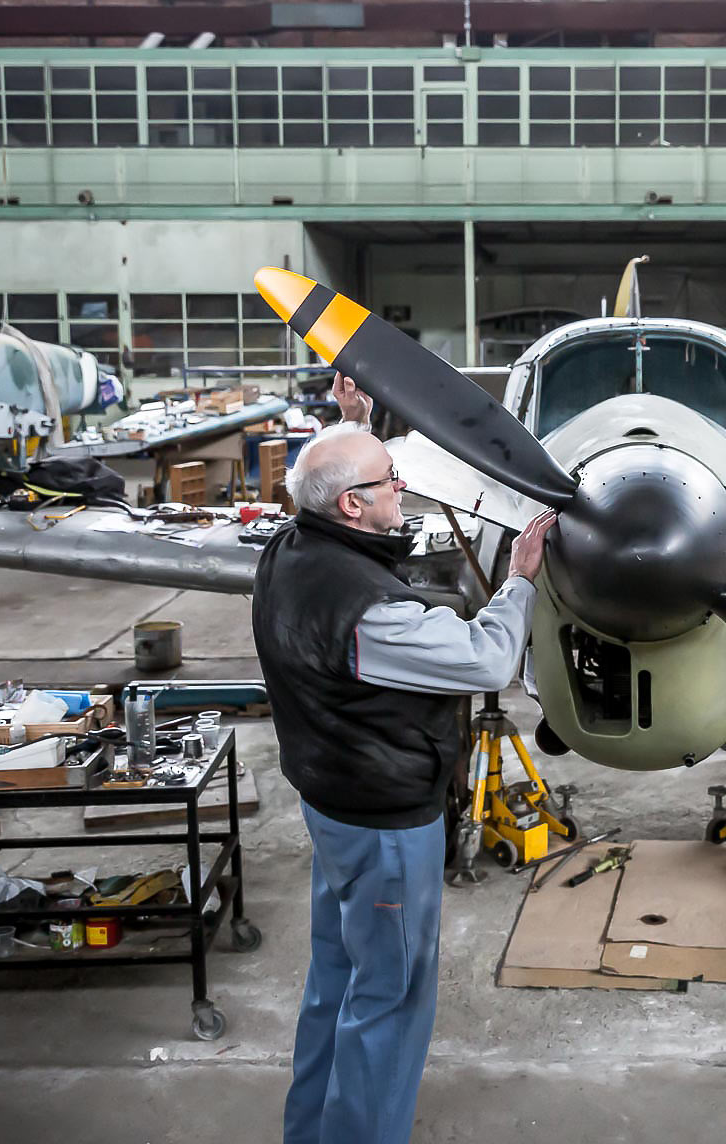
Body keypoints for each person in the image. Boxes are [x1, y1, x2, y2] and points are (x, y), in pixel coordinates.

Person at [255, 373, 556, 1144]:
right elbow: (489, 661)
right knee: (389, 1001)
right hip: (387, 824)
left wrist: (352, 420)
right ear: (350, 504)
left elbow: (323, 480)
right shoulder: (374, 614)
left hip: (330, 803)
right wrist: (519, 580)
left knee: (336, 980)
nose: (403, 487)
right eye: (388, 480)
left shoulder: (291, 546)